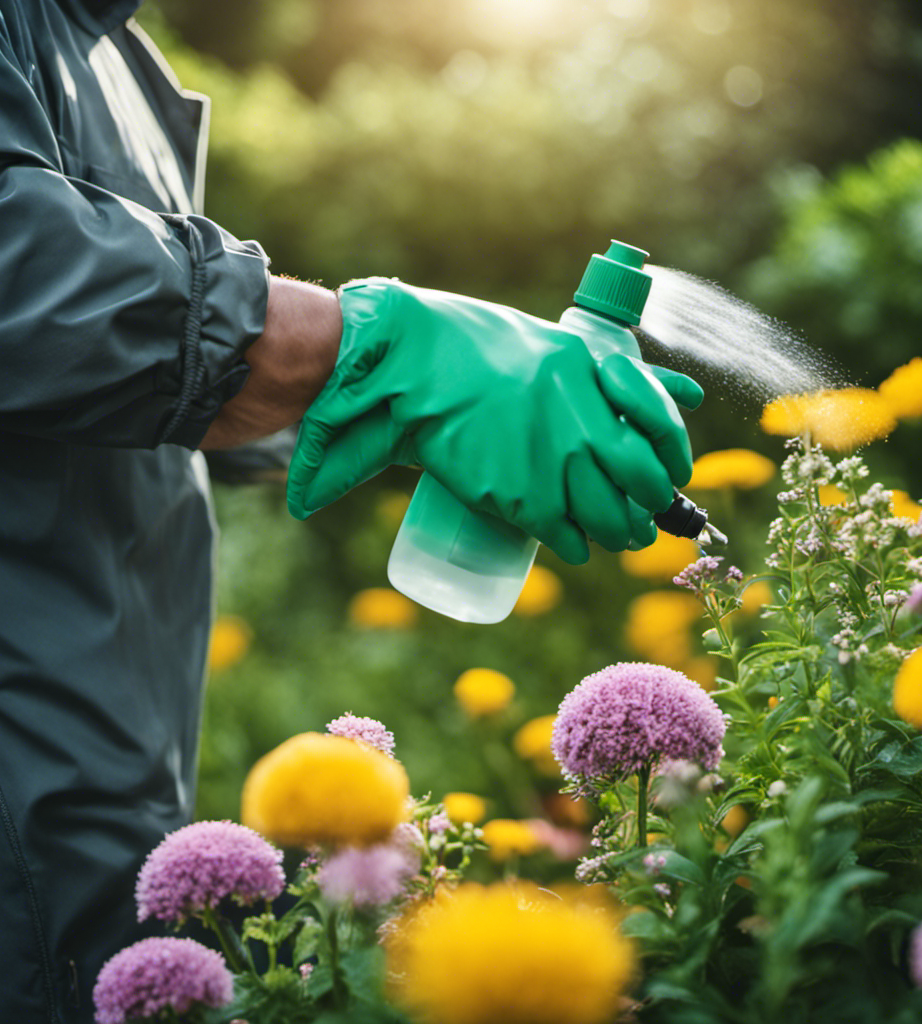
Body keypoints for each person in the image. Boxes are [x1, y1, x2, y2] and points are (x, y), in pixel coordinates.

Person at [0, 0, 701, 1020]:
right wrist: (374, 356)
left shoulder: (111, 51)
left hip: (94, 809)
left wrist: (422, 405)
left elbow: (118, 387)